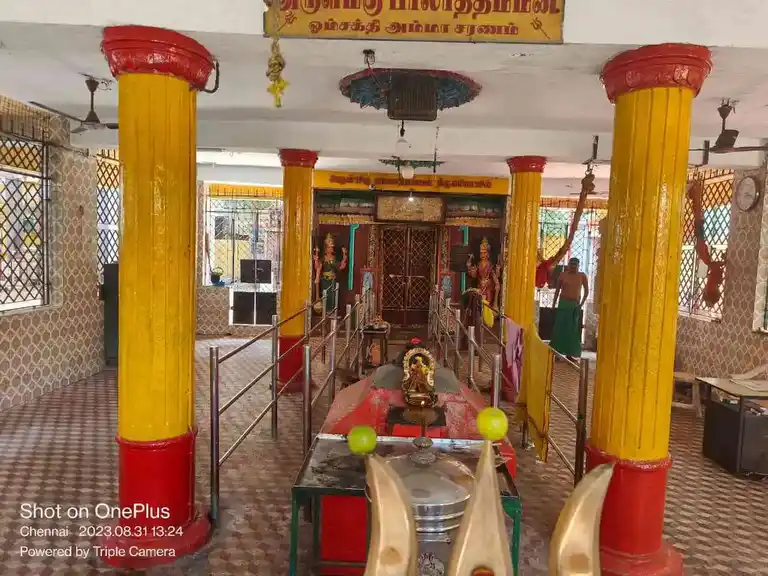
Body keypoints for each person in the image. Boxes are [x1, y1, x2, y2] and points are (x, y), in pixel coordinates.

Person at [551, 257, 589, 361]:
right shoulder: (563, 275)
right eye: (571, 264)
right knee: (560, 329)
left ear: (578, 265)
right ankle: (557, 354)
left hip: (574, 306)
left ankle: (569, 354)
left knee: (572, 330)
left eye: (575, 264)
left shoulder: (582, 276)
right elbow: (557, 291)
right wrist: (554, 304)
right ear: (568, 265)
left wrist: (581, 304)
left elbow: (586, 292)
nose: (573, 266)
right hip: (563, 304)